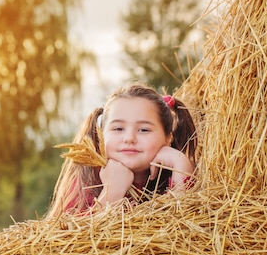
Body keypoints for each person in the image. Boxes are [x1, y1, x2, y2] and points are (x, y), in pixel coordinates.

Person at [48, 83, 197, 217]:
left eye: (144, 130)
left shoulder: (174, 176)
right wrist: (112, 191)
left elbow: (184, 224)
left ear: (167, 138)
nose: (129, 138)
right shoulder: (87, 181)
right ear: (101, 136)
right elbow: (72, 241)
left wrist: (180, 163)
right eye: (118, 128)